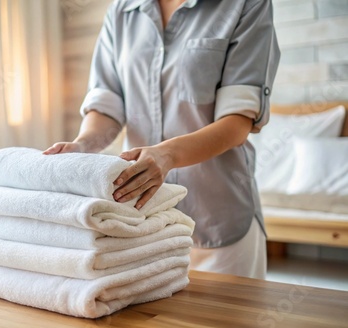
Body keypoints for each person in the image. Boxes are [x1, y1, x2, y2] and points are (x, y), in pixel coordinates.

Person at [44, 0, 280, 279]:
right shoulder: (123, 11)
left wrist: (167, 155)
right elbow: (107, 105)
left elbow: (237, 123)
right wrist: (83, 145)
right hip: (141, 227)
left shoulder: (244, 5)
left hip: (218, 223)